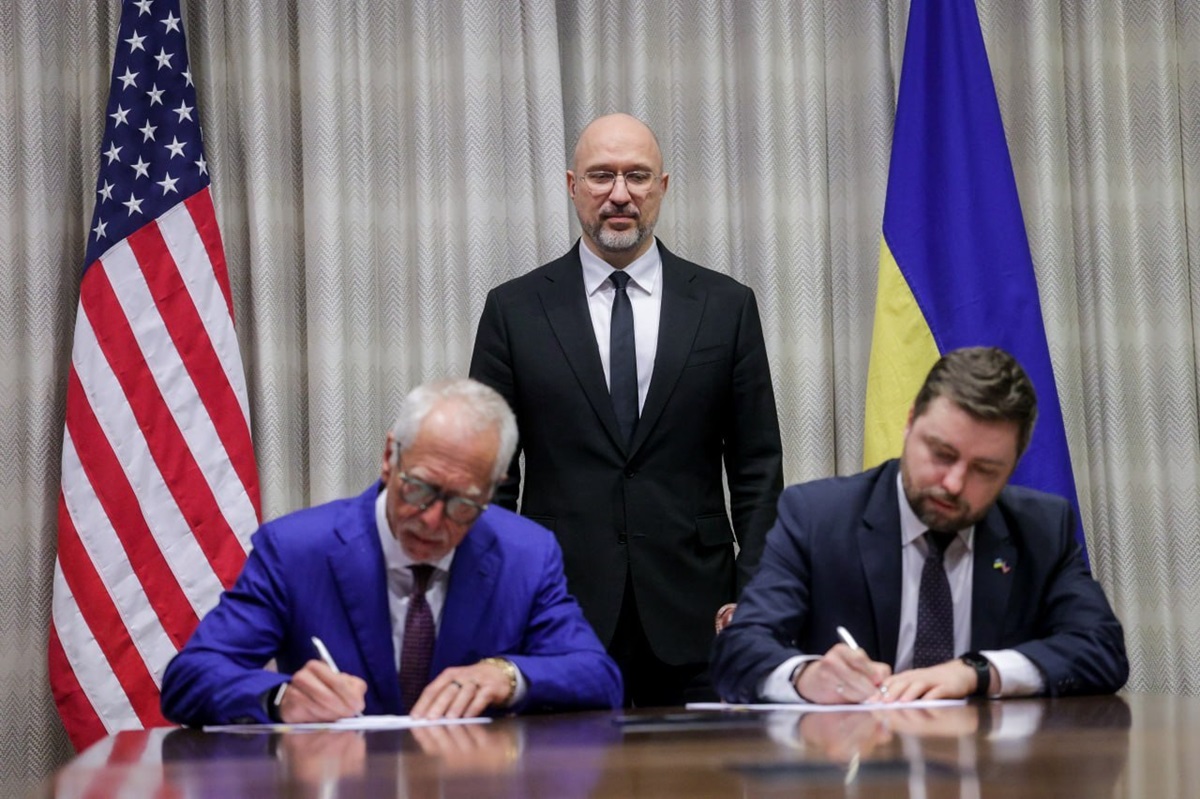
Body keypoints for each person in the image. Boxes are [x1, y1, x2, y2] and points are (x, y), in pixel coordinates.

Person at [469, 113, 783, 706]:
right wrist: (500, 597)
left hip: (699, 612)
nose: (619, 194)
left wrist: (756, 595)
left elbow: (757, 469)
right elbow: (491, 476)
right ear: (572, 186)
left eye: (637, 176)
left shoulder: (725, 305)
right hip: (558, 609)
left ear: (662, 187)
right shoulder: (514, 310)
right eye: (601, 176)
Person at [161, 379, 622, 726]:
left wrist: (507, 676)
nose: (432, 520)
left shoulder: (526, 555)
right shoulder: (296, 550)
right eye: (420, 488)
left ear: (491, 490)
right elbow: (189, 679)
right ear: (389, 458)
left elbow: (598, 677)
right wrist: (280, 697)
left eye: (463, 504)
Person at [711, 346, 1128, 704]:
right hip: (851, 761)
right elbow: (739, 650)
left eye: (985, 470)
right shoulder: (818, 517)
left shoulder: (1040, 529)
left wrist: (978, 672)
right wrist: (805, 676)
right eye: (942, 453)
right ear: (910, 422)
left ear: (1013, 466)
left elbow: (1102, 649)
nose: (954, 484)